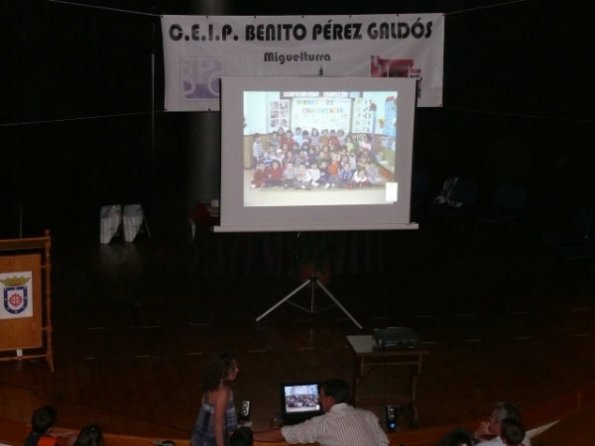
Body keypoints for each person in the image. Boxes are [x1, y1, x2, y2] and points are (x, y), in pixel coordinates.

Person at [253, 379, 388, 446]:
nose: (318, 399)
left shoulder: (322, 424)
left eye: (321, 396)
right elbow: (383, 442)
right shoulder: (368, 415)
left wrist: (249, 434)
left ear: (330, 400)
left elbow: (281, 435)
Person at [190, 352, 240, 446]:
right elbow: (218, 422)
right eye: (233, 368)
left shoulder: (211, 385)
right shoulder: (223, 393)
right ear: (224, 371)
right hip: (211, 439)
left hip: (201, 435)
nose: (237, 370)